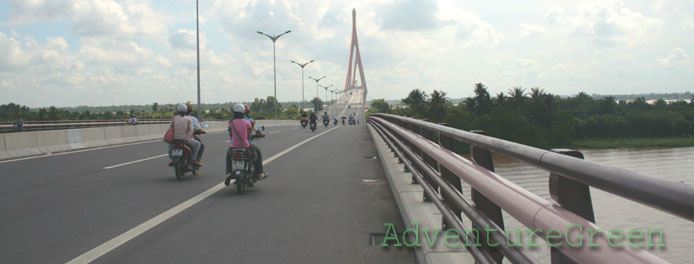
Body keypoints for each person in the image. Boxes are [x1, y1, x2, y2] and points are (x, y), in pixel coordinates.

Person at [226, 104, 267, 180]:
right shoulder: (248, 122)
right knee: (257, 152)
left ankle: (228, 173)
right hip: (246, 145)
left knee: (228, 156)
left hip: (233, 146)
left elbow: (231, 134)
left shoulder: (231, 123)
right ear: (244, 112)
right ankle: (259, 173)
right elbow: (248, 136)